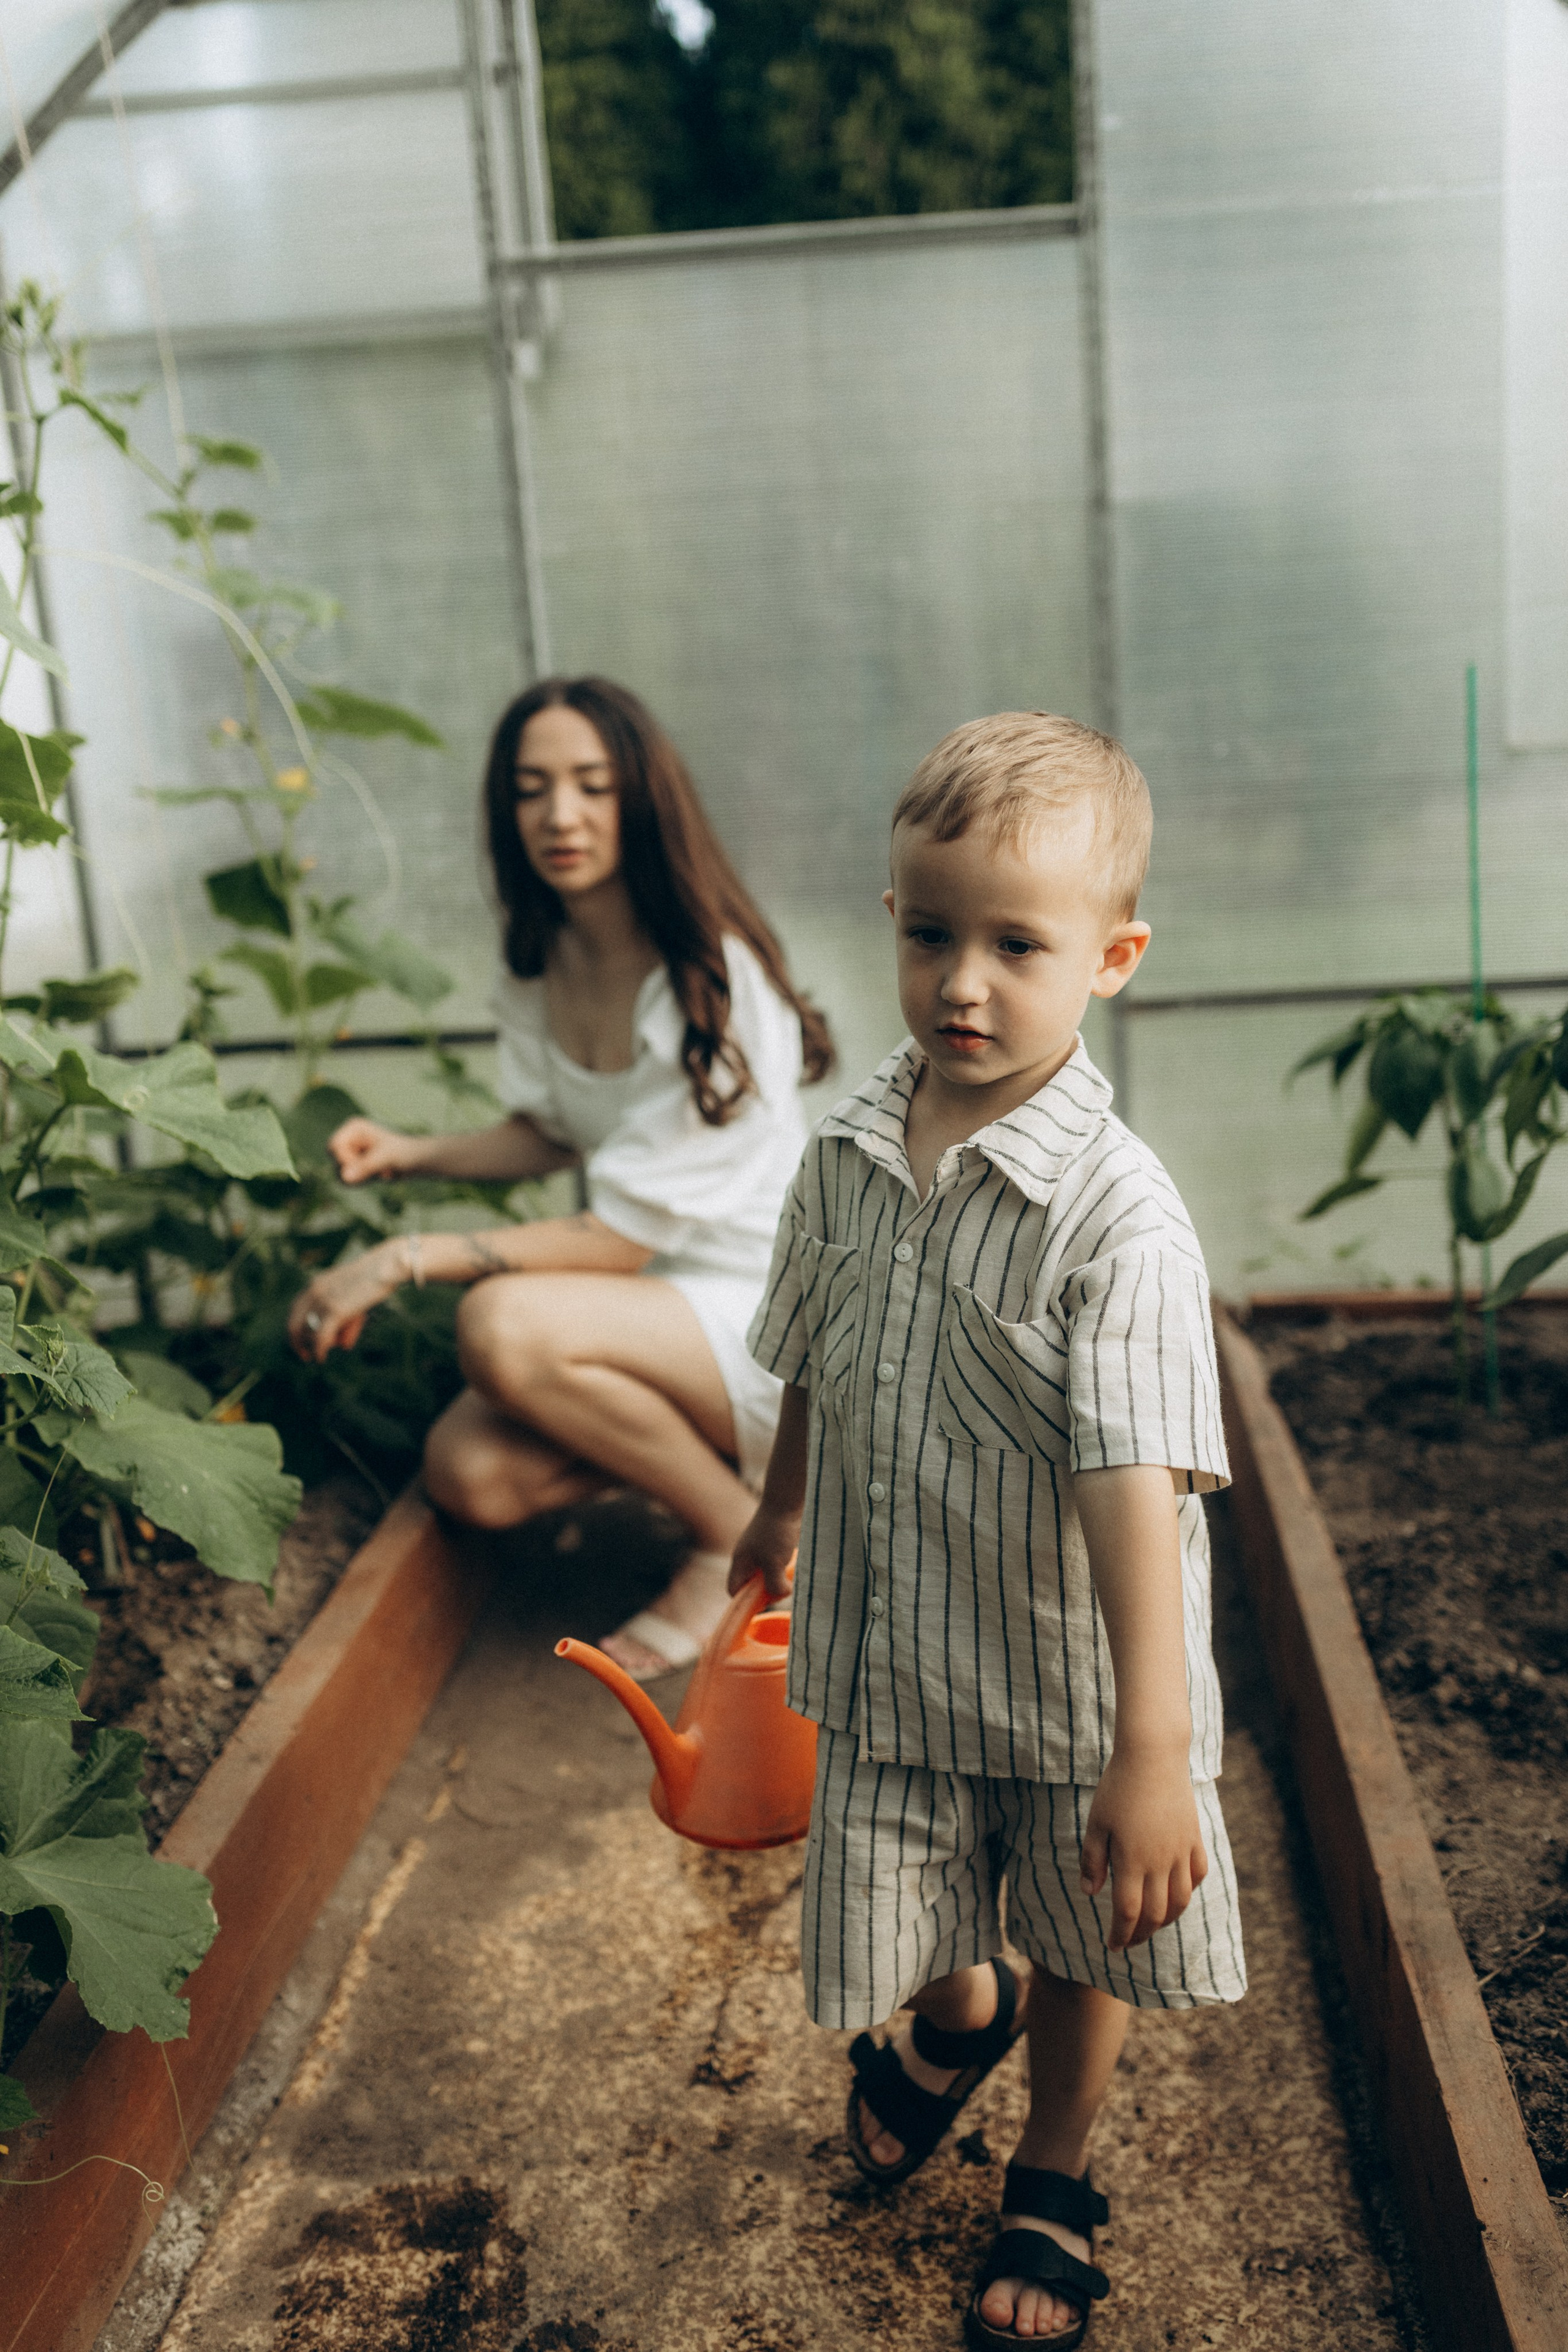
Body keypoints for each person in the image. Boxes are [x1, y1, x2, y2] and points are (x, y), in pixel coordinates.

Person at [732, 712, 1246, 2348]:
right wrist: (782, 1501)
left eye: (1017, 946)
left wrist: (1149, 1747)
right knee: (911, 1904)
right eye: (933, 931)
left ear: (1114, 956)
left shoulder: (1119, 1218)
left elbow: (1136, 1483)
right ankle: (959, 2019)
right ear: (893, 916)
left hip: (1072, 1679)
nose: (965, 982)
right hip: (897, 1636)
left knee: (1084, 1927)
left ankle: (1055, 2164)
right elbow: (814, 1345)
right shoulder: (850, 1148)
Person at [287, 675, 831, 1681]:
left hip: (772, 1313)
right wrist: (415, 1150)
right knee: (469, 1473)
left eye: (592, 784)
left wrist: (406, 1256)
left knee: (502, 1325)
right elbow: (554, 1126)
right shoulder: (547, 957)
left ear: (644, 798)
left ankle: (737, 1544)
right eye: (532, 789)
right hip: (659, 1315)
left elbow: (617, 1239)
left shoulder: (711, 975)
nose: (561, 815)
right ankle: (737, 1482)